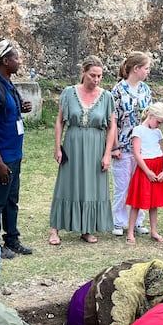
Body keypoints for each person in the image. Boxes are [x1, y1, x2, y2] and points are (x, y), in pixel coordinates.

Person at [49, 55, 117, 245]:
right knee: (66, 183)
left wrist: (107, 154)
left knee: (91, 186)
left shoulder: (107, 97)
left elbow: (112, 126)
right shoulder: (68, 93)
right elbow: (59, 121)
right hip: (73, 142)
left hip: (96, 144)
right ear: (83, 73)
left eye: (99, 76)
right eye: (92, 75)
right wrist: (57, 147)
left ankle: (86, 228)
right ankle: (55, 229)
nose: (96, 80)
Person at [0, 39, 34, 260]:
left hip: (14, 155)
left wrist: (21, 108)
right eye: (16, 58)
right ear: (5, 61)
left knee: (11, 199)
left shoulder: (7, 84)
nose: (19, 61)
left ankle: (11, 238)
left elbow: (6, 114)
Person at [111, 51, 153, 237]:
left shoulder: (145, 89)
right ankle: (119, 222)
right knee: (122, 185)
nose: (148, 71)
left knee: (140, 184)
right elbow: (112, 121)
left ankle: (138, 220)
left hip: (142, 146)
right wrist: (114, 145)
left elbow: (149, 116)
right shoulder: (118, 90)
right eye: (146, 68)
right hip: (123, 144)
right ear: (136, 69)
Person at [125, 102, 163, 245]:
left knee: (154, 202)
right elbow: (137, 154)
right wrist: (147, 171)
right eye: (158, 122)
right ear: (150, 116)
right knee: (137, 201)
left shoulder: (157, 132)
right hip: (145, 168)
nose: (159, 125)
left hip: (157, 167)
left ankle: (154, 231)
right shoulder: (138, 130)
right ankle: (130, 232)